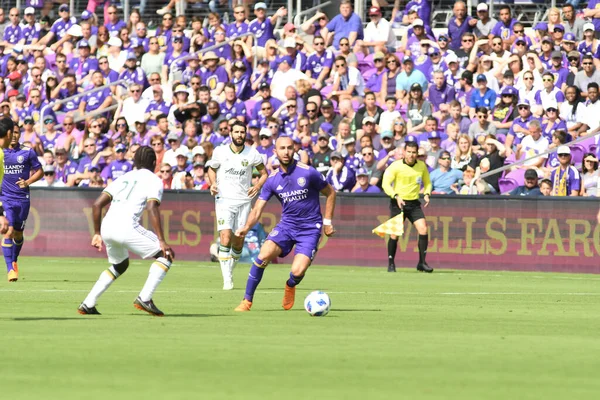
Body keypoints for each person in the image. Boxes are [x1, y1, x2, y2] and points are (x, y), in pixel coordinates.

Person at [233, 136, 336, 312]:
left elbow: (331, 193)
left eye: (289, 148)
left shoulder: (308, 172)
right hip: (286, 226)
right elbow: (257, 209)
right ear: (275, 152)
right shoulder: (272, 180)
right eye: (282, 148)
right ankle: (246, 301)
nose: (286, 152)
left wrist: (327, 222)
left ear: (294, 149)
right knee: (263, 255)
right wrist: (245, 227)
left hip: (310, 229)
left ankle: (290, 285)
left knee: (297, 271)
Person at [77, 146, 175, 316]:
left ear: (135, 162)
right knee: (165, 254)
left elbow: (97, 205)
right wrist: (162, 239)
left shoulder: (124, 177)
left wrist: (97, 233)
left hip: (107, 226)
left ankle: (88, 303)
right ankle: (145, 298)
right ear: (154, 163)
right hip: (126, 227)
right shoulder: (154, 180)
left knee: (120, 264)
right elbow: (152, 208)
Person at [207, 121, 268, 290]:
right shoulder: (220, 151)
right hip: (224, 200)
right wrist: (213, 184)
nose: (240, 135)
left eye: (242, 132)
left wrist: (257, 186)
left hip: (244, 201)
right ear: (230, 134)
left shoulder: (252, 154)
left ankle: (229, 270)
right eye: (237, 132)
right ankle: (227, 279)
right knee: (225, 237)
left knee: (238, 240)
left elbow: (264, 173)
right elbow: (212, 169)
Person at [382, 141, 432, 273]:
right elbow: (385, 184)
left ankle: (422, 262)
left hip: (414, 203)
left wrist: (426, 193)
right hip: (398, 202)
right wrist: (395, 195)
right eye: (408, 152)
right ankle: (391, 263)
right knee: (395, 234)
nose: (411, 155)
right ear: (404, 152)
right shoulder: (395, 166)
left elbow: (427, 183)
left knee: (423, 229)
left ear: (417, 153)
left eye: (414, 152)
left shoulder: (421, 166)